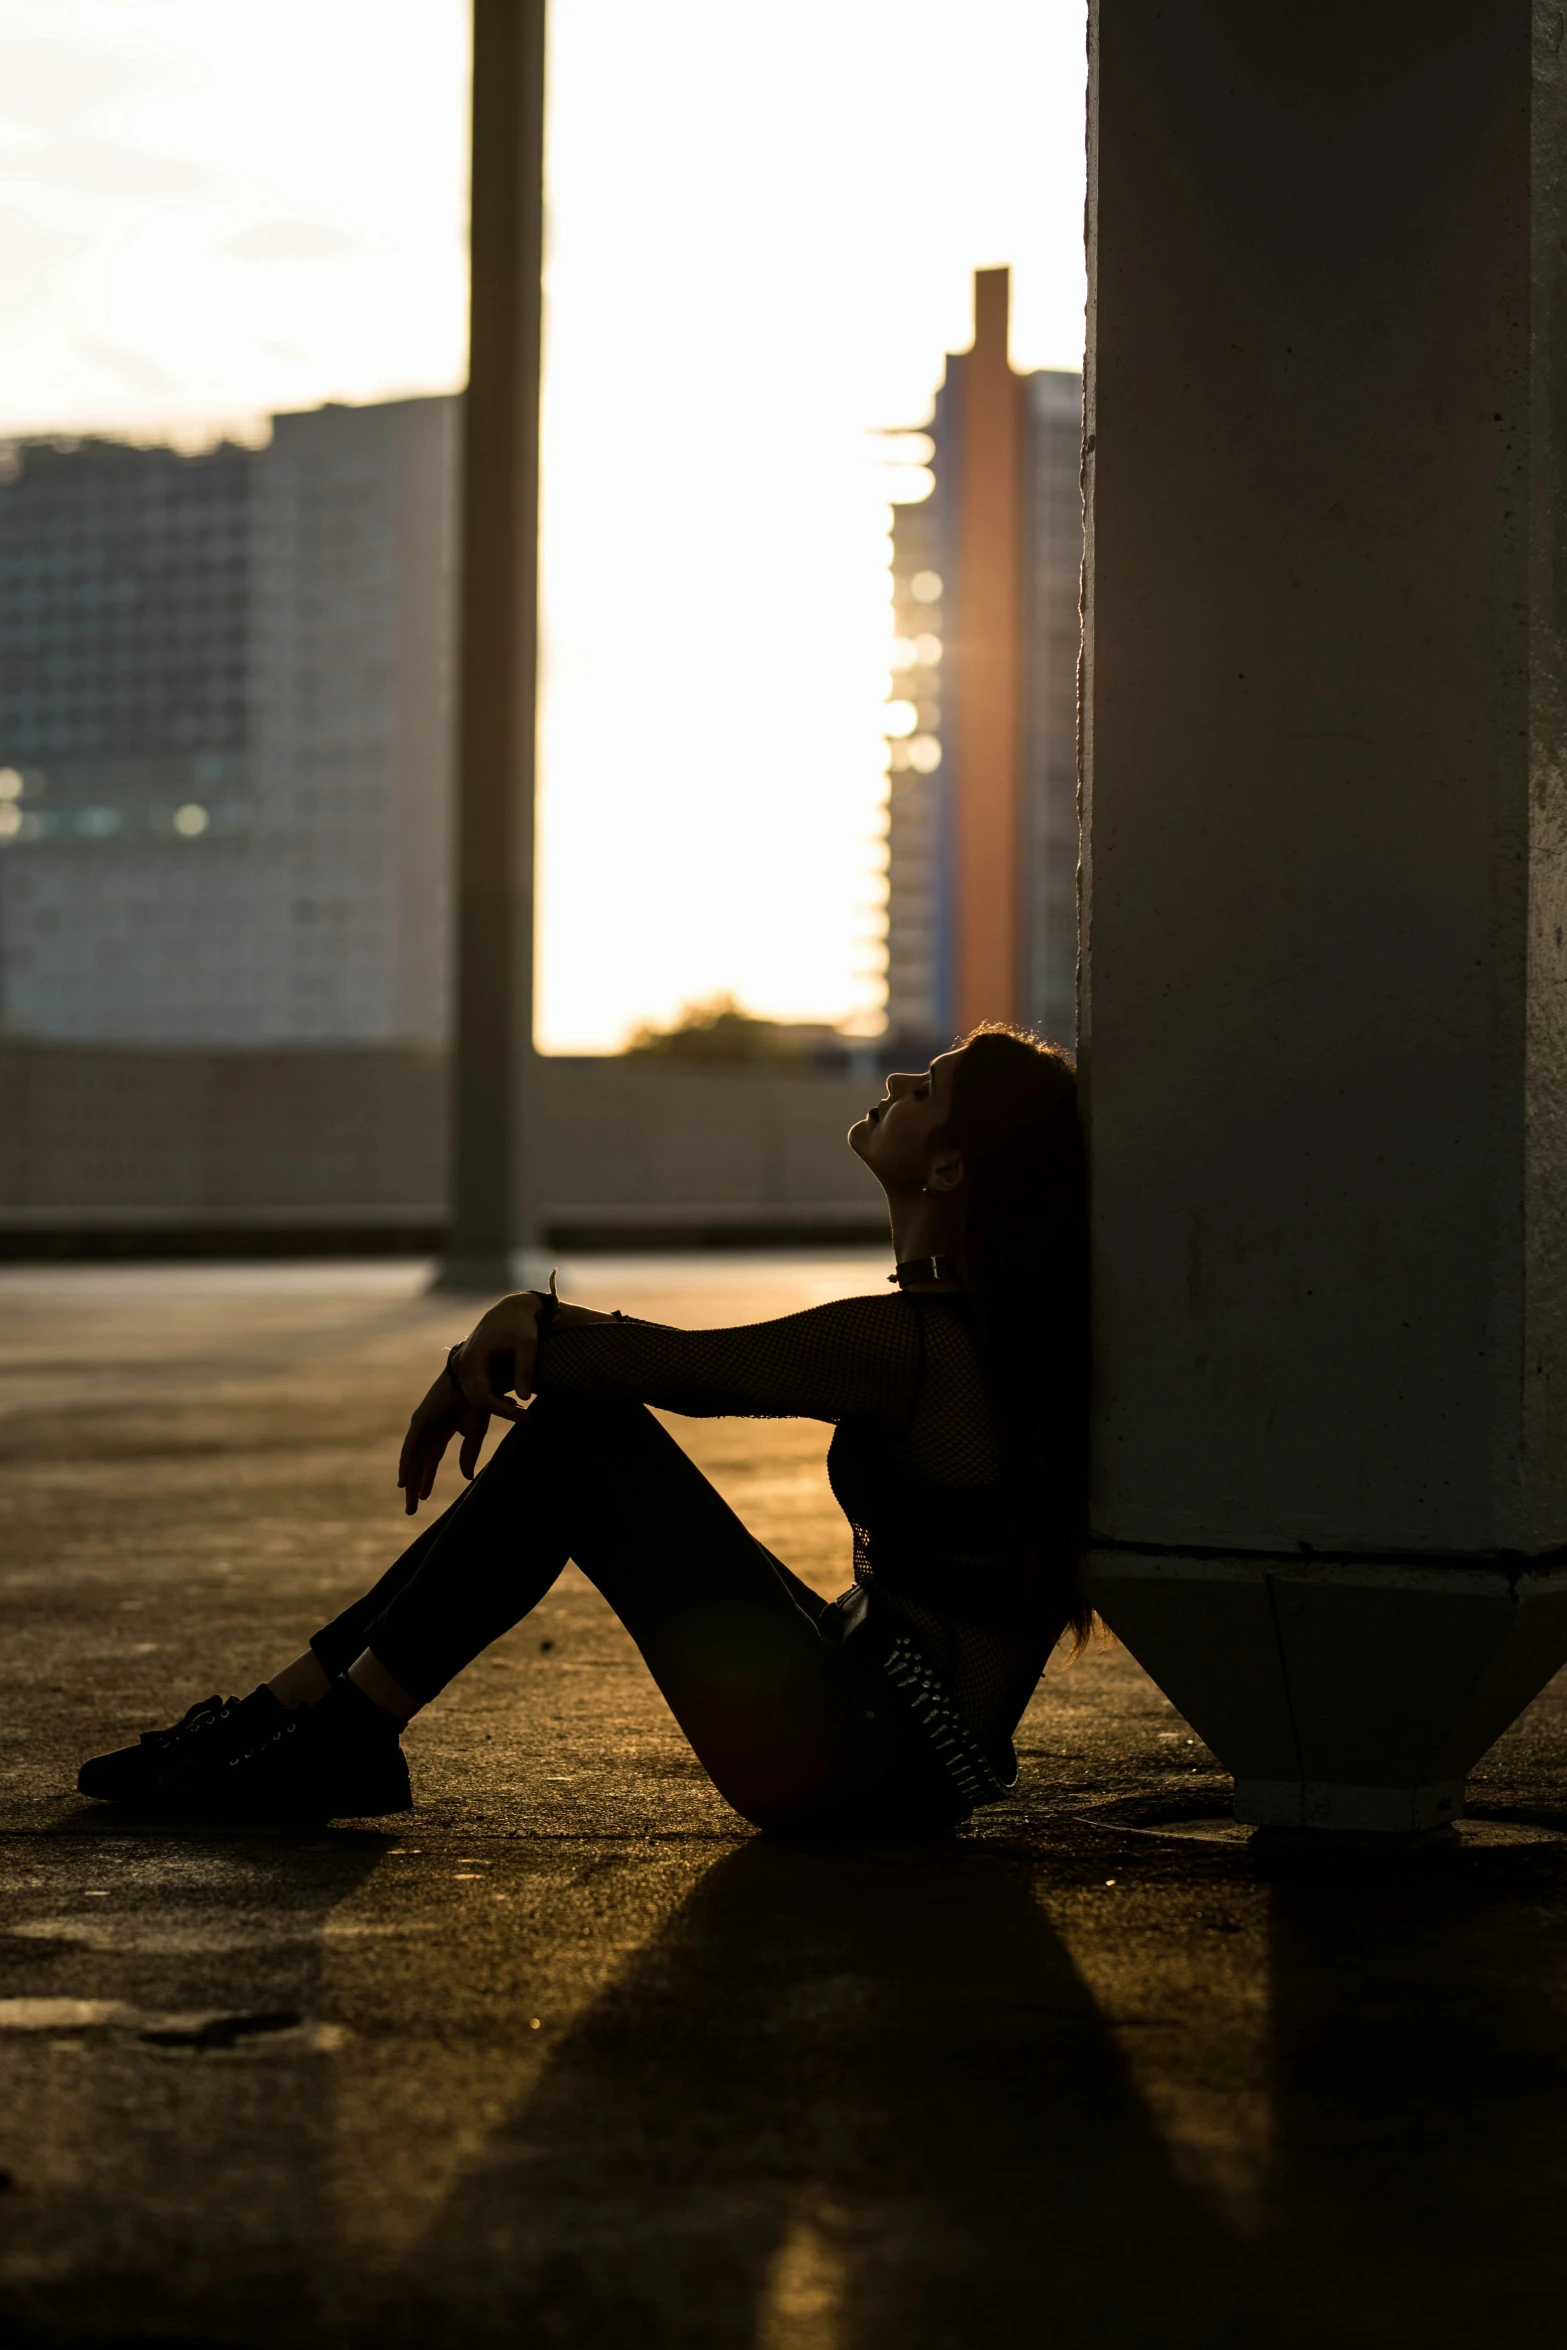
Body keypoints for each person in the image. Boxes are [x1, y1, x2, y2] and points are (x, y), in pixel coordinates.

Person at [78, 1025, 1089, 1836]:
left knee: (583, 1437)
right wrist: (531, 1335)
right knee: (579, 1428)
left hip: (861, 1766)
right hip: (878, 1743)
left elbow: (675, 1368)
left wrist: (520, 1317)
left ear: (951, 1171)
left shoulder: (915, 1343)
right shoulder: (952, 1333)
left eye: (928, 1089)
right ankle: (290, 1717)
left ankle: (329, 1728)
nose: (901, 1072)